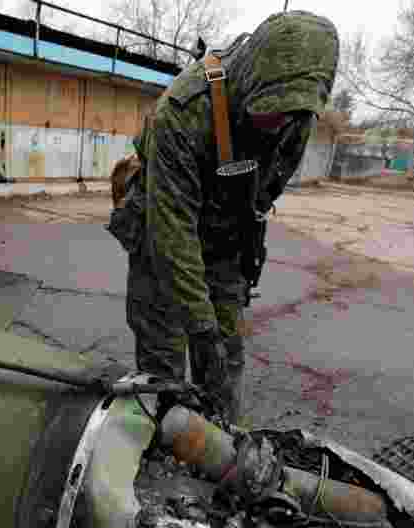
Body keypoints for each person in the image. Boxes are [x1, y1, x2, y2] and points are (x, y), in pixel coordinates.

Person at [107, 11, 339, 421]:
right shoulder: (183, 111)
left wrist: (231, 285)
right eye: (269, 111)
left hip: (224, 238)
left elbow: (260, 196)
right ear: (250, 79)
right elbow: (172, 231)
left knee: (225, 360)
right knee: (164, 370)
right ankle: (163, 444)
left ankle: (225, 448)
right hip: (161, 234)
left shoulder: (297, 116)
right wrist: (200, 328)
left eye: (288, 114)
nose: (277, 125)